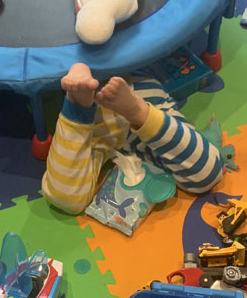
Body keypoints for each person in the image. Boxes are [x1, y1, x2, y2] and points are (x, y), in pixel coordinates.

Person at [42, 63, 224, 214]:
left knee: (207, 173)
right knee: (67, 199)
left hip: (133, 93)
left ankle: (138, 112)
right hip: (95, 115)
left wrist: (138, 112)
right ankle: (77, 103)